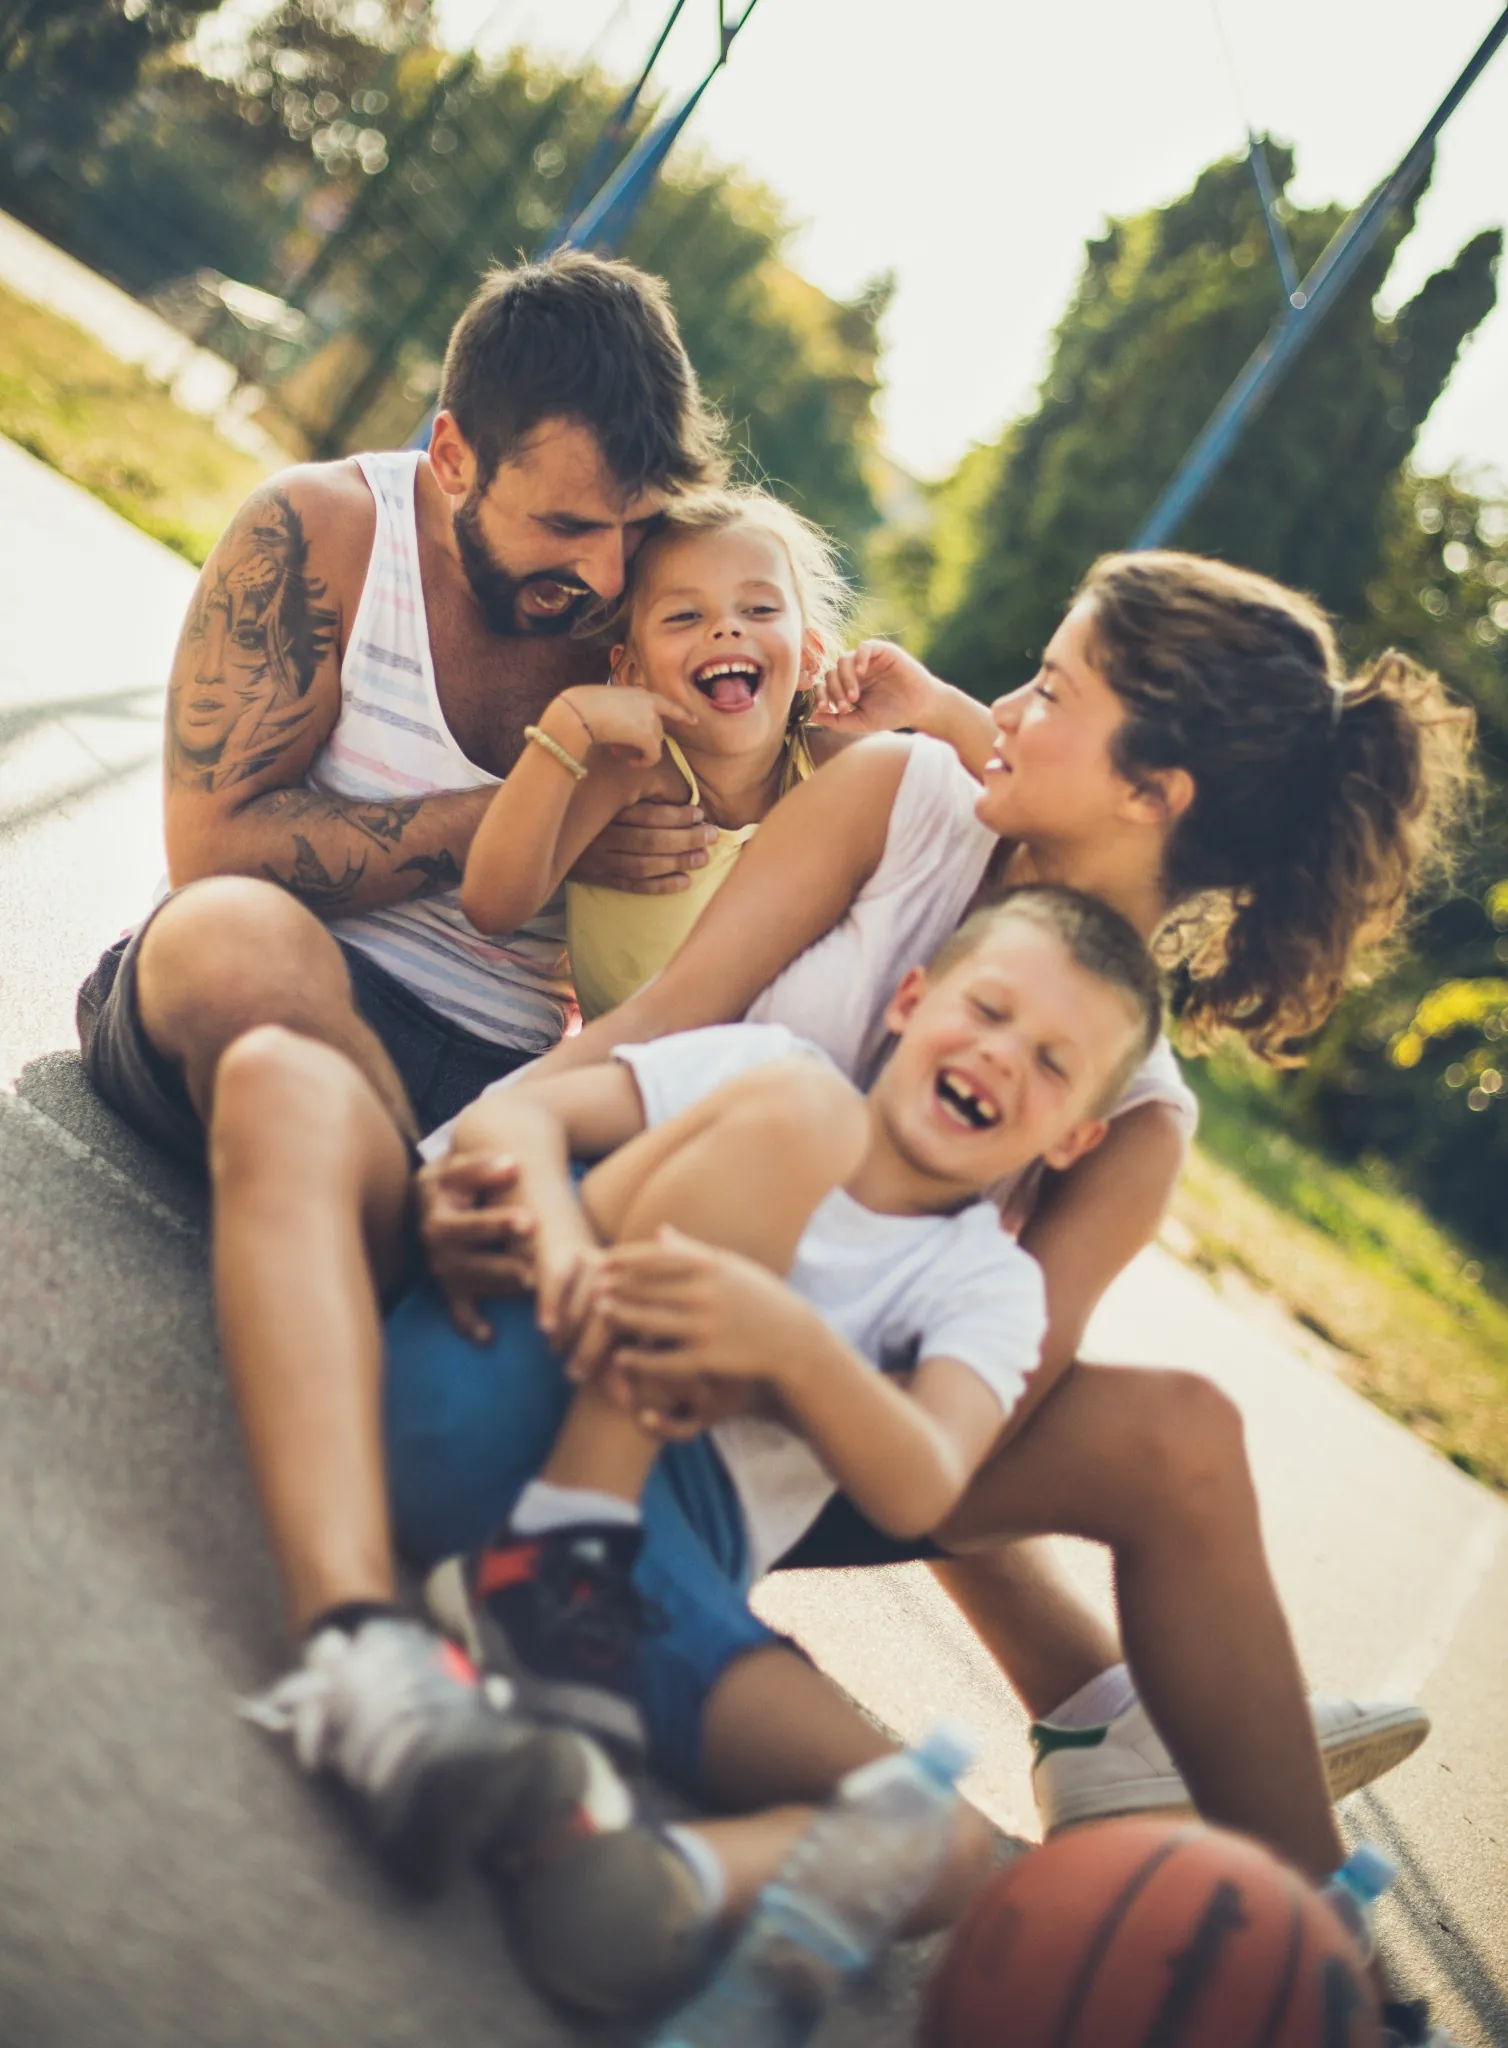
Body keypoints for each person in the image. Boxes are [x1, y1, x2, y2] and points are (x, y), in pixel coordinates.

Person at [405, 548, 1470, 1850]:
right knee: (786, 1122)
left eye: (1051, 692)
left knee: (1178, 1431)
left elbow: (960, 1448)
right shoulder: (896, 799)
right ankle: (1102, 1720)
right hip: (620, 1260)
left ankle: (1281, 1903)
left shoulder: (1135, 1117)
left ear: (1152, 792)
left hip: (771, 1422)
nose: (1001, 709)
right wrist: (464, 1160)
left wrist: (778, 1347)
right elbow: (655, 1026)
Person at [389, 887, 1163, 2012]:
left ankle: (645, 1874)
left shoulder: (984, 1284)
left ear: (1075, 1137)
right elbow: (521, 1119)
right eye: (988, 1010)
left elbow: (924, 1480)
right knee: (805, 1114)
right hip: (510, 1393)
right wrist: (562, 1258)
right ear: (910, 999)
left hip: (656, 1582)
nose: (1002, 1055)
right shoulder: (776, 1076)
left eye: (1053, 1064)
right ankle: (558, 1551)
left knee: (942, 1842)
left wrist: (794, 1348)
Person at [74, 248, 727, 1164]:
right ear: (454, 456)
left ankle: (397, 1184)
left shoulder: (669, 600)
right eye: (567, 525)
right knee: (225, 937)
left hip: (502, 1072)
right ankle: (424, 1187)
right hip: (265, 992)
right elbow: (213, 850)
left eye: (640, 523)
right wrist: (547, 817)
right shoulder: (322, 526)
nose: (609, 574)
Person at [459, 486, 849, 1026]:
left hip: (779, 1070)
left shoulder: (840, 772)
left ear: (808, 655)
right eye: (685, 615)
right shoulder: (626, 768)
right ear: (632, 671)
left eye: (760, 608)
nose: (726, 627)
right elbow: (491, 906)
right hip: (627, 1067)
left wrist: (930, 708)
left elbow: (969, 838)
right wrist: (564, 728)